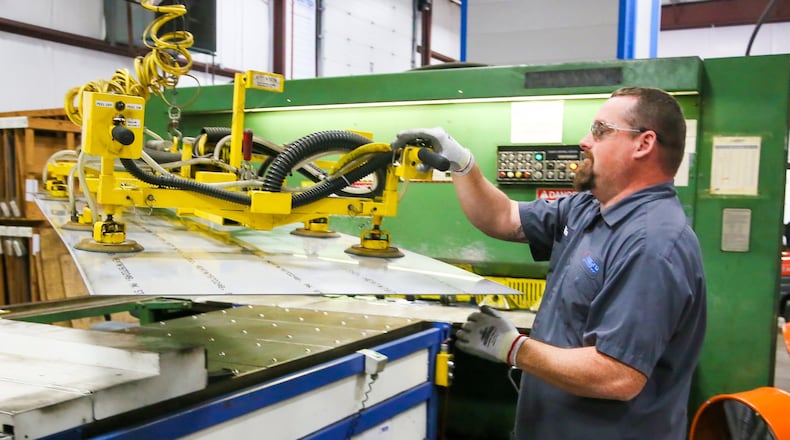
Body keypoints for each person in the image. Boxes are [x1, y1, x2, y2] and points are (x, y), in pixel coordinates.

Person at [392, 87, 707, 440]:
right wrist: (462, 163)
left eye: (600, 130)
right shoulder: (589, 206)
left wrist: (513, 348)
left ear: (643, 144)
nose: (584, 141)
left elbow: (618, 375)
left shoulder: (652, 244)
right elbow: (504, 217)